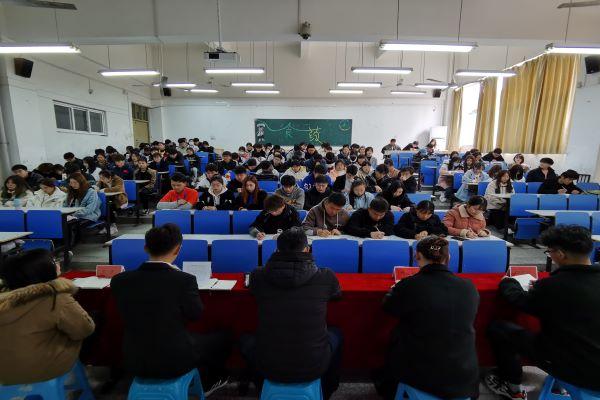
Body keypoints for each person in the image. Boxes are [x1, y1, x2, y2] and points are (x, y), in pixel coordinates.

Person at [111, 224, 231, 393]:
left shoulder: (119, 281)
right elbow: (195, 314)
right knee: (223, 337)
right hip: (174, 360)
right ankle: (209, 381)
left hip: (134, 358)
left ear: (145, 248)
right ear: (178, 249)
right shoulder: (184, 280)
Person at [485, 226, 600, 399]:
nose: (550, 256)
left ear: (560, 254)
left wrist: (509, 282)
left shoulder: (553, 285)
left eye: (549, 251)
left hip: (573, 366)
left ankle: (512, 386)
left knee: (499, 329)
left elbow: (520, 301)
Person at [241, 228, 342, 399]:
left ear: (276, 250)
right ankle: (328, 389)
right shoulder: (326, 276)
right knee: (336, 334)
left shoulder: (258, 275)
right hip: (314, 364)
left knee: (245, 339)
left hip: (268, 364)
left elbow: (253, 291)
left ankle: (259, 386)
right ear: (307, 249)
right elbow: (337, 295)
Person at [375, 236, 479, 400]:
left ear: (417, 256)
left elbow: (389, 307)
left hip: (422, 375)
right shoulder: (469, 286)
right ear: (448, 257)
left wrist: (396, 290)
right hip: (466, 375)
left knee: (397, 335)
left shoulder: (409, 285)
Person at [0, 249, 95, 385]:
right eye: (53, 261)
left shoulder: (4, 299)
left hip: (3, 372)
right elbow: (84, 329)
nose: (57, 263)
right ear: (42, 270)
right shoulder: (56, 298)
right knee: (90, 322)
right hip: (38, 370)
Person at [97, 170, 128, 236]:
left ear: (110, 177)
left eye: (103, 178)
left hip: (120, 200)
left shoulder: (119, 180)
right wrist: (95, 188)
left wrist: (104, 190)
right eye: (100, 178)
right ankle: (107, 226)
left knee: (108, 206)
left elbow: (118, 188)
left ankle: (113, 227)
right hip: (110, 200)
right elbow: (97, 187)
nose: (101, 180)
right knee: (103, 205)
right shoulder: (101, 181)